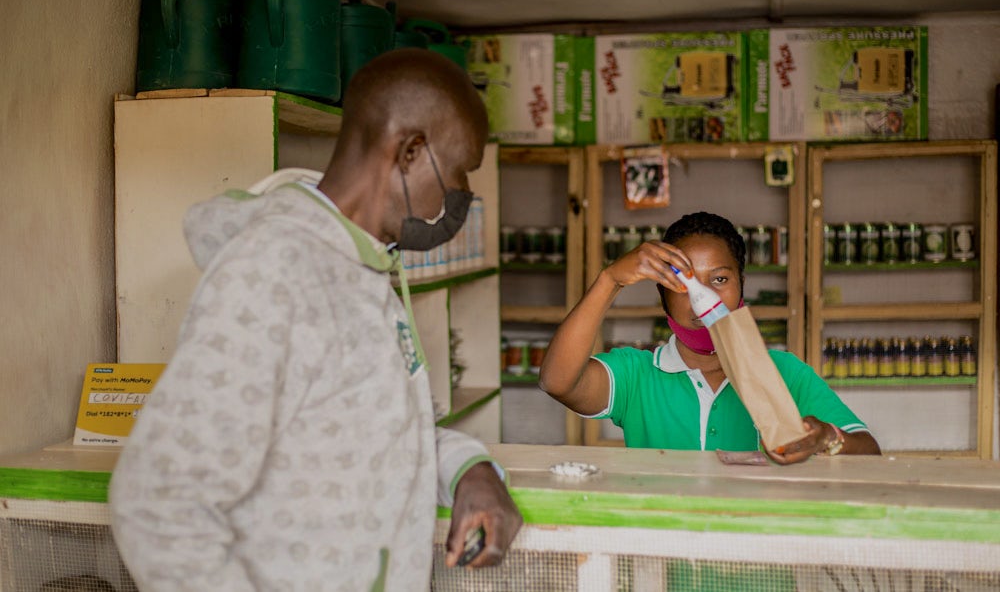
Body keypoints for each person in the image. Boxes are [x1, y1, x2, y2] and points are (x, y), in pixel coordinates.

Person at [110, 49, 522, 590]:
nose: (463, 196)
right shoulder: (274, 271)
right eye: (461, 171)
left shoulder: (365, 271)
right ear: (411, 152)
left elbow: (379, 433)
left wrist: (472, 469)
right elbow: (159, 501)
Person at [539, 211, 881, 463]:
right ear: (662, 294)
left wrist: (826, 439)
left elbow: (869, 452)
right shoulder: (637, 376)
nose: (703, 299)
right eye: (682, 283)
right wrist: (610, 279)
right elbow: (558, 382)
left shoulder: (784, 372)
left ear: (741, 285)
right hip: (661, 555)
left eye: (719, 280)